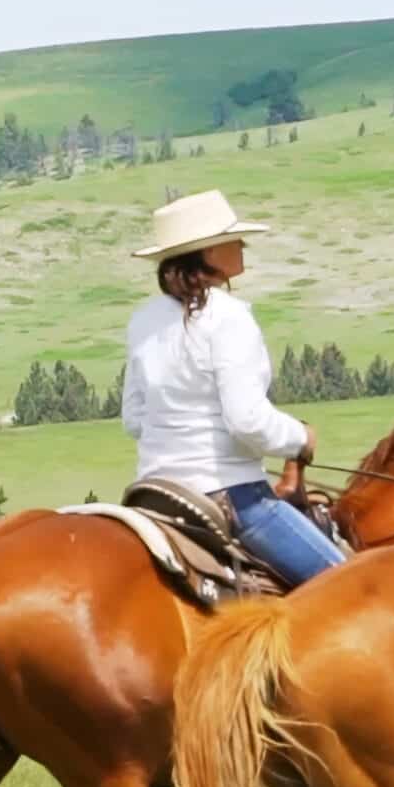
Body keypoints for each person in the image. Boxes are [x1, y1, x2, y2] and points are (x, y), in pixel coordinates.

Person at [121, 190, 344, 586]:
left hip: (155, 493)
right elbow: (246, 420)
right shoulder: (228, 318)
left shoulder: (142, 321)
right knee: (353, 587)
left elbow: (135, 419)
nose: (241, 244)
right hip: (230, 496)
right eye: (230, 238)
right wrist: (300, 439)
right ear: (207, 253)